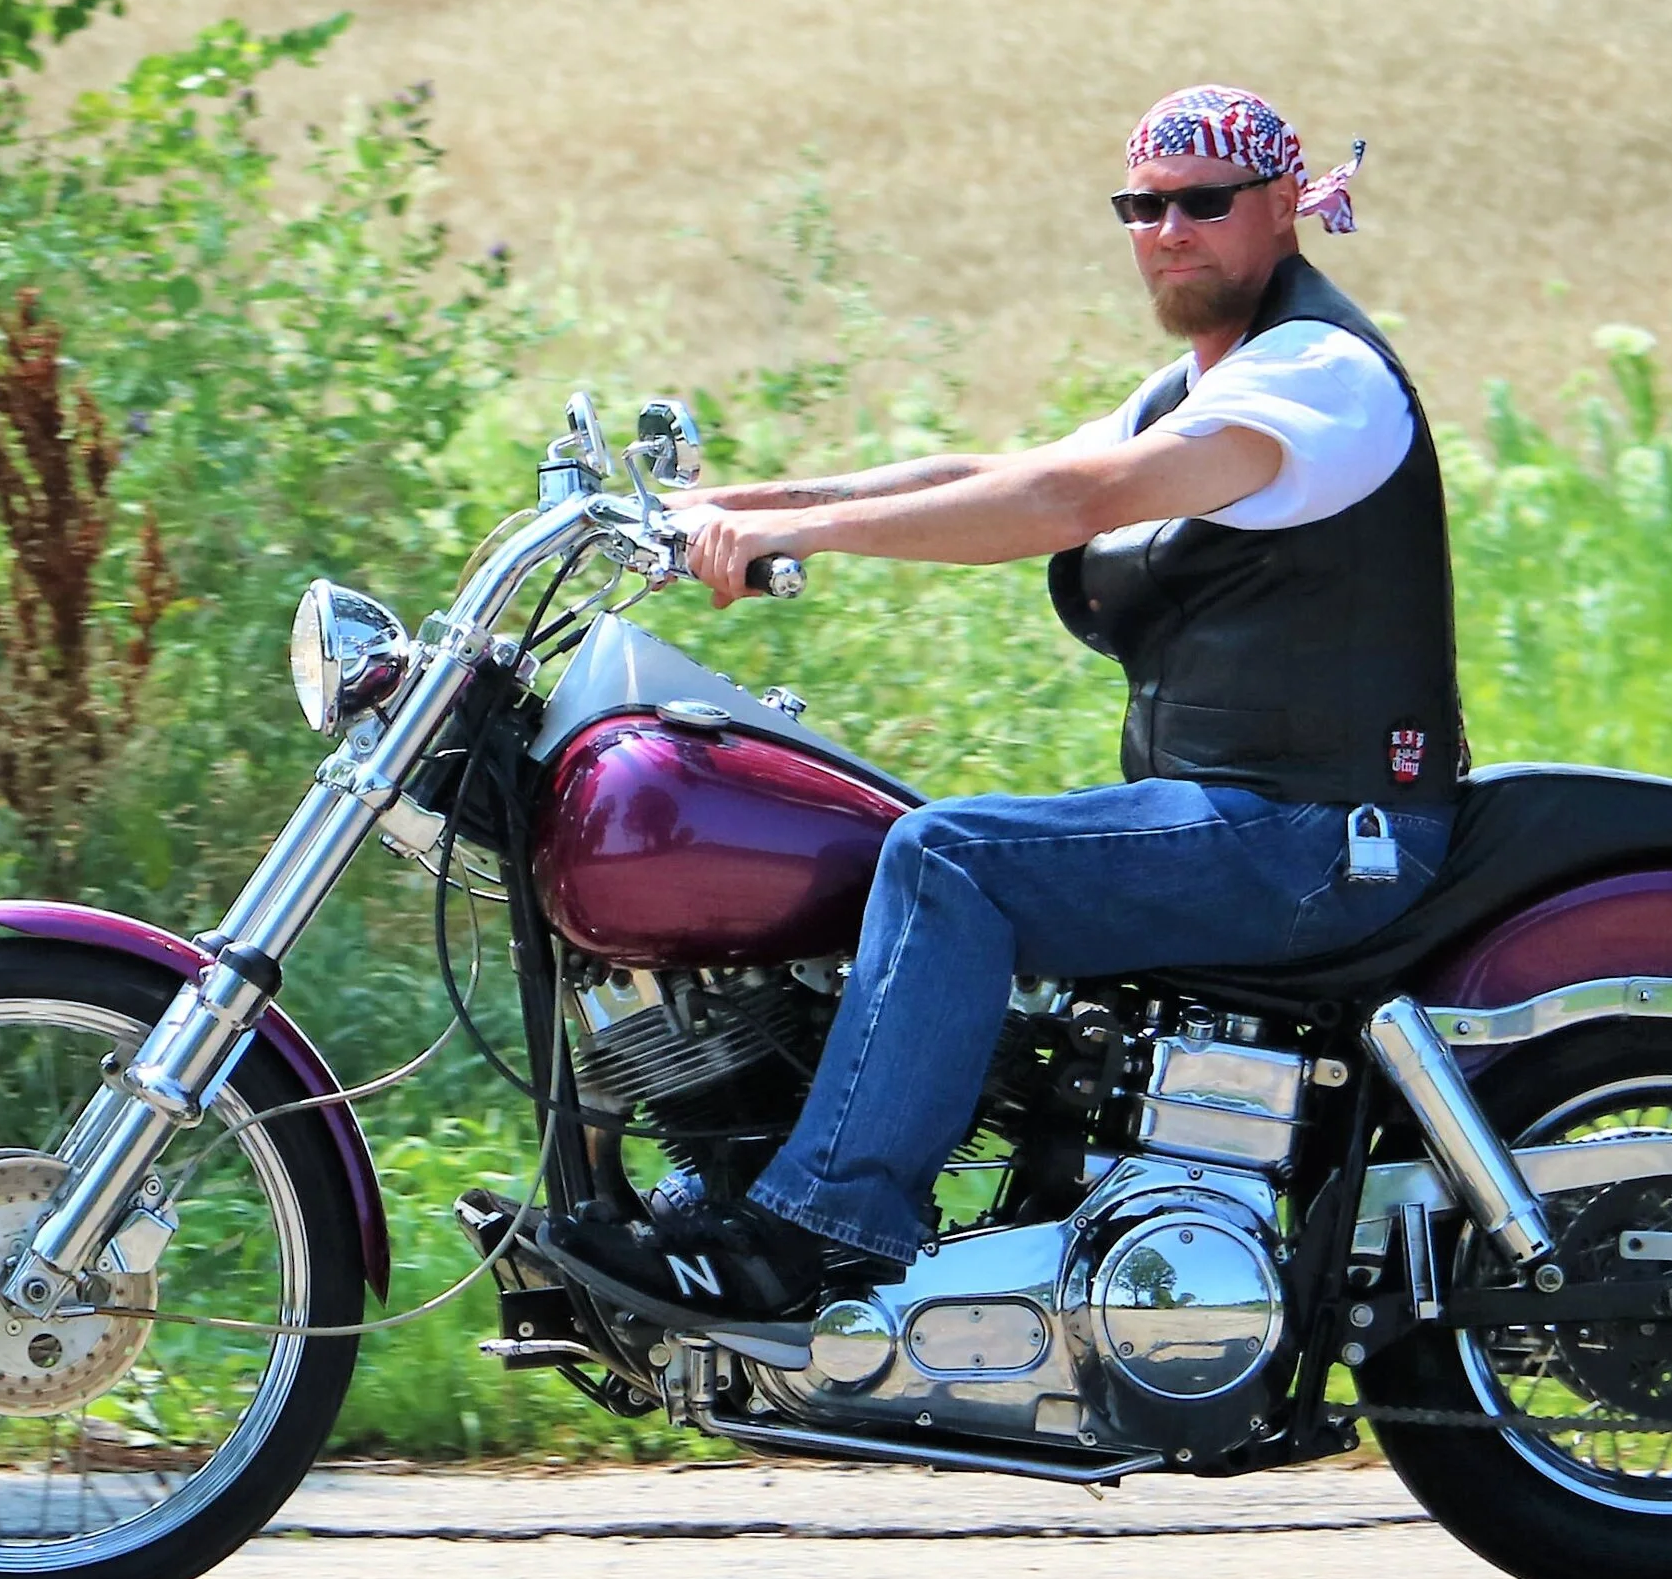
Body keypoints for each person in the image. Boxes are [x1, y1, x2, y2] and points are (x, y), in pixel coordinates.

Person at [543, 84, 1467, 1324]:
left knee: (947, 860)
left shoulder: (1318, 374)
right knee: (889, 837)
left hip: (1323, 829)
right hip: (1248, 813)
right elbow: (992, 471)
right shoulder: (1206, 379)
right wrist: (716, 510)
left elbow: (1069, 502)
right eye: (1144, 204)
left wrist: (802, 534)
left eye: (1205, 201)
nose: (1170, 228)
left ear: (1285, 206)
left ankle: (817, 1228)